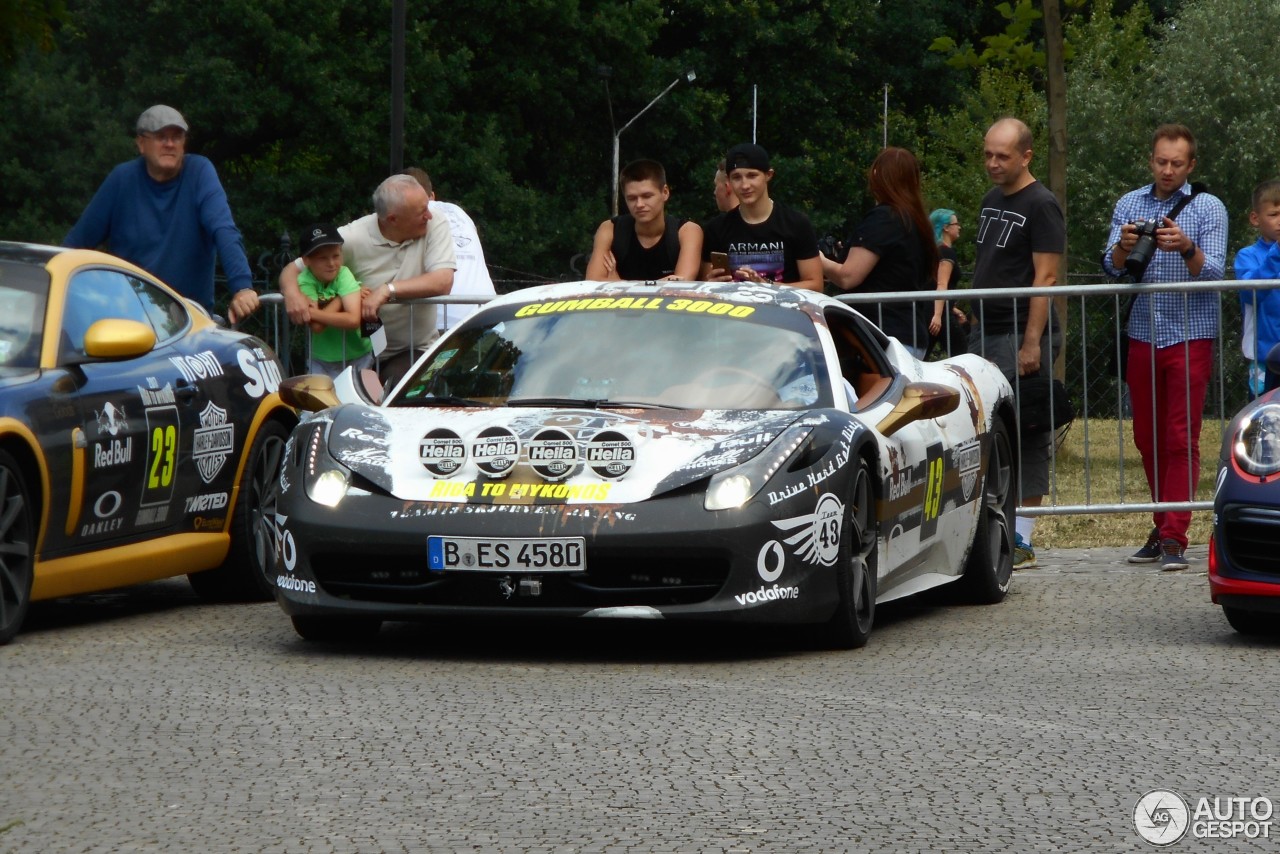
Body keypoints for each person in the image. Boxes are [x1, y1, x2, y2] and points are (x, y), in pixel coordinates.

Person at [1101, 123, 1228, 572]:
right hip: (1143, 331)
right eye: (1161, 161)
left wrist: (1186, 245)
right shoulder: (1129, 203)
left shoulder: (1209, 206)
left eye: (1177, 163)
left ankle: (1175, 534)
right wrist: (1123, 246)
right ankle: (1163, 523)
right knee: (1146, 436)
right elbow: (1112, 270)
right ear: (1150, 160)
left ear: (1191, 165)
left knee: (1180, 436)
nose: (1168, 169)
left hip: (1190, 333)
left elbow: (1213, 274)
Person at [969, 117, 1066, 571]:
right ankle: (994, 523)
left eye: (1002, 156)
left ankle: (1024, 534)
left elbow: (1045, 277)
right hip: (984, 330)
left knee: (1027, 428)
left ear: (1026, 155)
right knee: (989, 429)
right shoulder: (991, 199)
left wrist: (1032, 343)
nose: (992, 163)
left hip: (1020, 332)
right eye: (988, 153)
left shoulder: (1042, 204)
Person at [64, 104, 259, 323]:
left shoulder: (199, 172)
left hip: (187, 318)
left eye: (177, 137)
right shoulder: (122, 179)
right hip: (128, 318)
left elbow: (223, 228)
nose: (169, 144)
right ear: (141, 143)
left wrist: (242, 286)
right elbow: (76, 244)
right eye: (160, 137)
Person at [279, 174, 456, 387]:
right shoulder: (351, 238)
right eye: (421, 211)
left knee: (397, 389)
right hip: (357, 352)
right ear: (392, 219)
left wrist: (387, 290)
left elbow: (443, 281)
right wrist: (292, 294)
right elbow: (293, 269)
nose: (429, 215)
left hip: (411, 349)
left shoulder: (434, 223)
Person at [820, 147, 937, 357]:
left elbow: (848, 276)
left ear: (876, 175)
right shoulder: (917, 221)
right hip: (909, 334)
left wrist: (818, 260)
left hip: (881, 338)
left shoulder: (884, 218)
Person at [700, 143, 823, 291]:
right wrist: (711, 284)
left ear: (768, 175)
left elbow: (815, 286)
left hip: (784, 311)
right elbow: (705, 286)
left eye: (752, 176)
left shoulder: (796, 223)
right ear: (729, 181)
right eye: (737, 177)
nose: (745, 185)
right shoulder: (716, 228)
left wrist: (766, 286)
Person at [403, 167, 496, 332]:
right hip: (487, 311)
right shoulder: (459, 212)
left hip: (445, 320)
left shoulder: (413, 217)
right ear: (432, 195)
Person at [586, 159, 702, 281]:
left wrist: (619, 284)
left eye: (647, 196)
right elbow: (593, 282)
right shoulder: (611, 229)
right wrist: (662, 283)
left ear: (665, 192)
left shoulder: (687, 231)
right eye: (632, 198)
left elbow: (681, 285)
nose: (639, 204)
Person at [294, 223, 372, 378]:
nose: (331, 263)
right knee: (322, 402)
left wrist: (313, 312)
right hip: (321, 359)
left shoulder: (344, 273)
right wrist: (340, 299)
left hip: (358, 355)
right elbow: (316, 326)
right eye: (322, 258)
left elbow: (352, 320)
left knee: (355, 402)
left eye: (336, 256)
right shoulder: (305, 279)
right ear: (306, 260)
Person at [1233, 179, 1280, 398]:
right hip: (1263, 356)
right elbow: (1252, 293)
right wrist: (1276, 253)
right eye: (1274, 214)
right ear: (1255, 218)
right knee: (1264, 419)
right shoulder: (1247, 256)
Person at [929, 208, 970, 356]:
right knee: (963, 355)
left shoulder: (934, 252)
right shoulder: (946, 252)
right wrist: (938, 315)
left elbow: (932, 285)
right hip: (939, 315)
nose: (959, 227)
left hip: (934, 312)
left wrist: (953, 309)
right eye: (956, 223)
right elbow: (941, 284)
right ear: (946, 228)